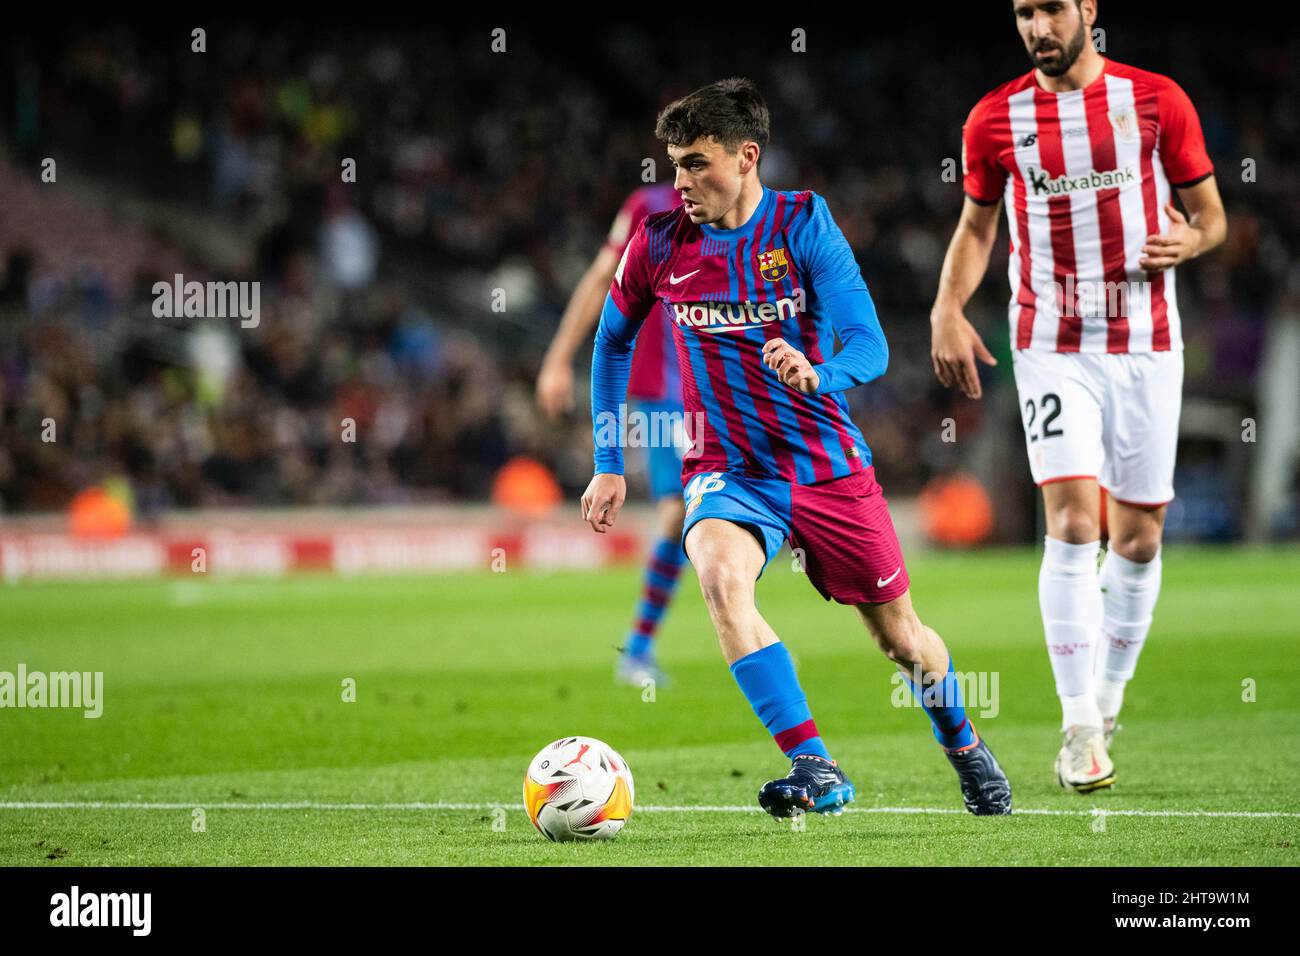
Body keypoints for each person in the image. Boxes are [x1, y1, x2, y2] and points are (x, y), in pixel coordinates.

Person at [583, 78, 1012, 817]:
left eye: (696, 163)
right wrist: (608, 462)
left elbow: (868, 345)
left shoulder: (804, 224)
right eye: (675, 164)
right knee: (720, 578)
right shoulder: (657, 243)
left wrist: (822, 374)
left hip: (825, 466)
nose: (679, 181)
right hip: (728, 468)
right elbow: (611, 342)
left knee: (902, 640)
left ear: (747, 157)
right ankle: (815, 766)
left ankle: (965, 743)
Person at [929, 0, 1225, 792]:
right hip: (1051, 344)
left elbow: (1214, 218)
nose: (1036, 28)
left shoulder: (1157, 100)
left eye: (1051, 10)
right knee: (1071, 521)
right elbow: (978, 226)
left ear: (1088, 11)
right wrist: (946, 307)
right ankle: (1078, 729)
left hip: (1147, 344)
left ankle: (1108, 699)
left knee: (1136, 539)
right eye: (1024, 13)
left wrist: (1191, 240)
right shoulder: (995, 119)